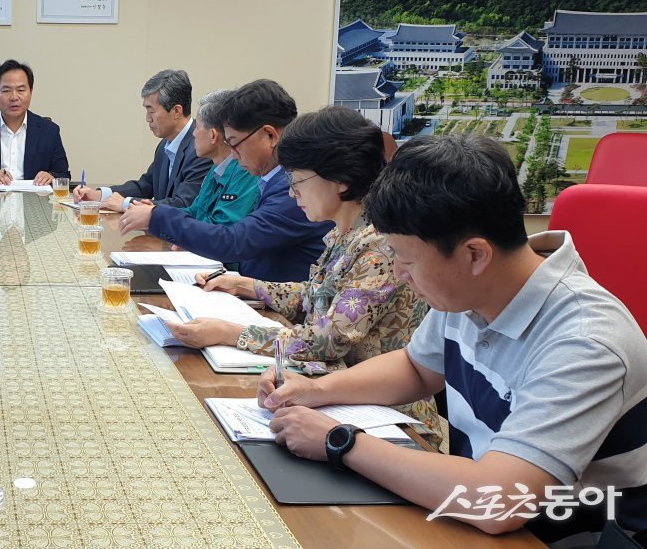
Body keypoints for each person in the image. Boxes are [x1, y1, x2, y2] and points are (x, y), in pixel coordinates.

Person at [258, 134, 647, 544]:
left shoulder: (584, 341)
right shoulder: (472, 292)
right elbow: (415, 367)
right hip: (472, 506)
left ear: (475, 254)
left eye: (406, 260)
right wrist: (316, 391)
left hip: (568, 535)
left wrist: (340, 441)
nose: (400, 275)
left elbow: (501, 500)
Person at [165, 107, 438, 436]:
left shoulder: (379, 245)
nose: (293, 193)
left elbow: (326, 340)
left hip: (388, 419)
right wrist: (250, 286)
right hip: (334, 394)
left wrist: (230, 333)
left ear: (339, 181)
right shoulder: (345, 232)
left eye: (298, 181)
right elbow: (317, 295)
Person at [121, 79, 330, 282]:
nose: (233, 155)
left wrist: (158, 217)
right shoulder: (272, 178)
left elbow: (234, 241)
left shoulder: (294, 187)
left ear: (270, 135)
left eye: (235, 144)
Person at [73, 69, 212, 211]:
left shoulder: (200, 148)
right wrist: (100, 195)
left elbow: (183, 203)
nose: (148, 118)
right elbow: (145, 186)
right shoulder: (165, 144)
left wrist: (125, 203)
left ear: (176, 111)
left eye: (151, 111)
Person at [145, 88, 259, 227]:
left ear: (213, 135)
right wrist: (154, 212)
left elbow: (221, 227)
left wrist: (155, 217)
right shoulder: (215, 168)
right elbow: (194, 212)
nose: (193, 134)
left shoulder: (245, 171)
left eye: (197, 127)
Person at [0, 59, 70, 185]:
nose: (14, 97)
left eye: (21, 90)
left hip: (35, 200)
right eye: (6, 90)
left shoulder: (49, 131)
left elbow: (63, 174)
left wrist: (51, 176)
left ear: (31, 92)